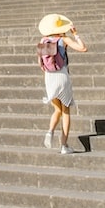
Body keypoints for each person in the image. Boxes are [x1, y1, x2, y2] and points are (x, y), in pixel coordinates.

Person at [38, 13, 87, 155]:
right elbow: (83, 48)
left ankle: (50, 131)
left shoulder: (43, 40)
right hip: (62, 75)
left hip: (49, 77)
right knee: (65, 111)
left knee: (57, 110)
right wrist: (75, 34)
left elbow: (40, 64)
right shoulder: (64, 39)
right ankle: (64, 145)